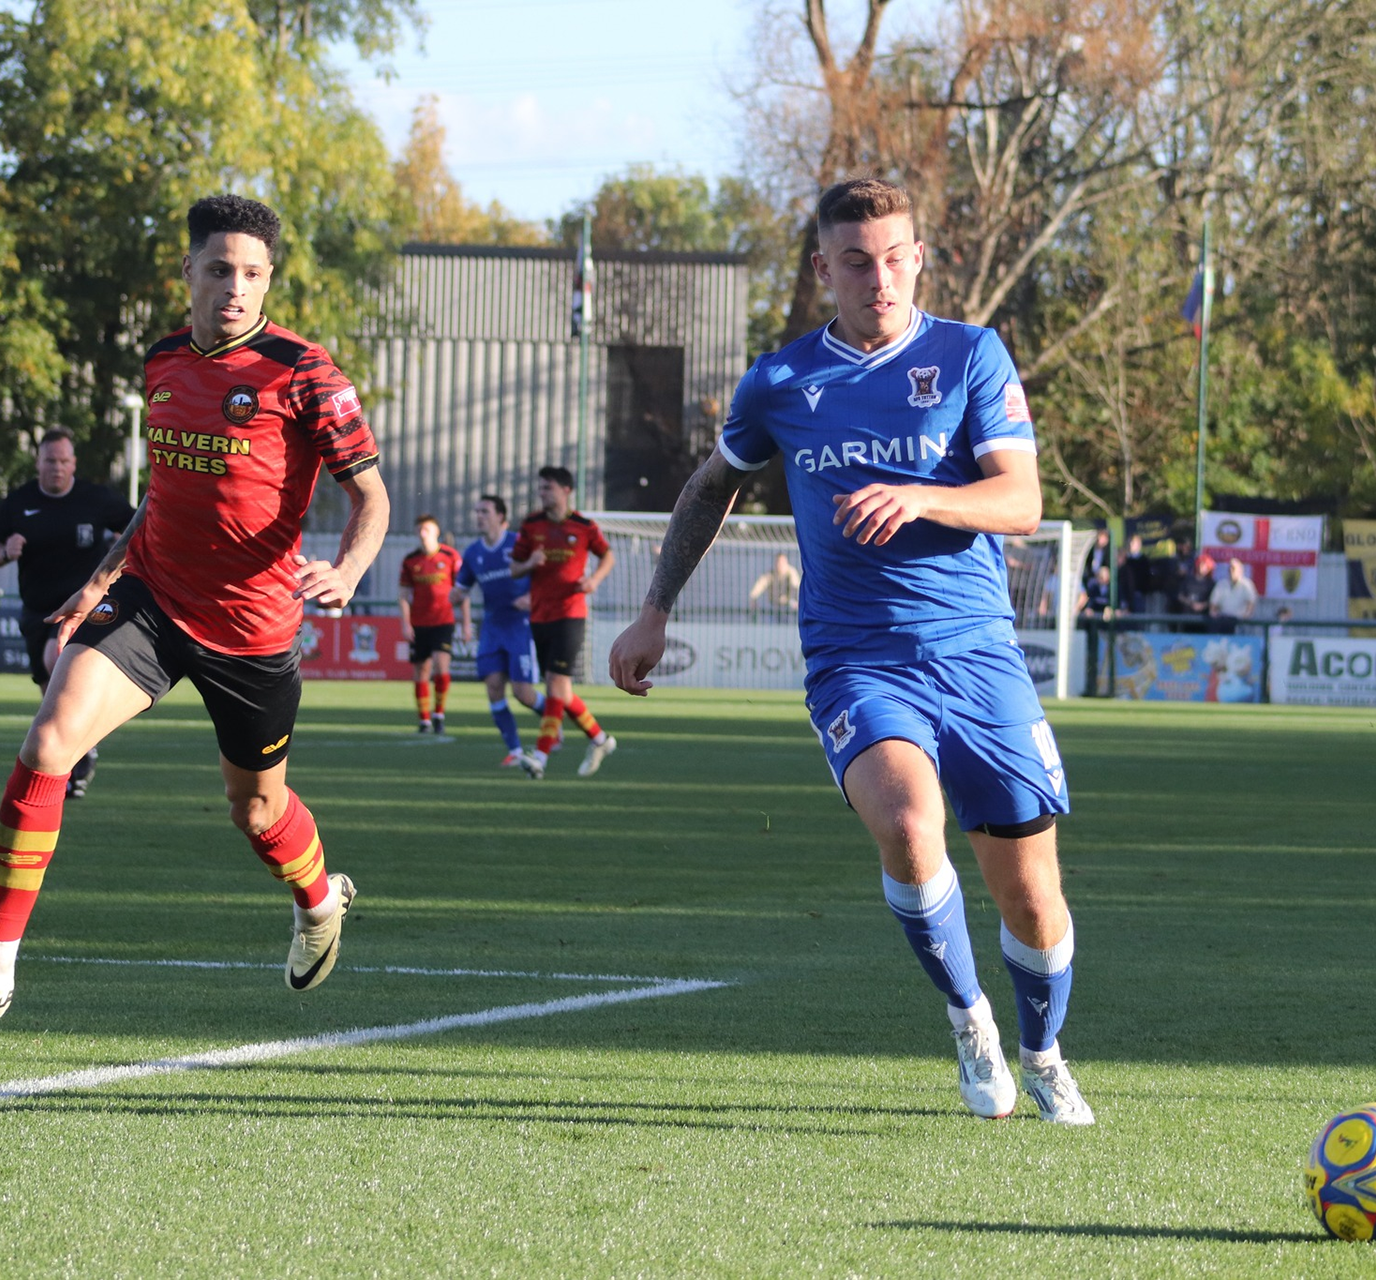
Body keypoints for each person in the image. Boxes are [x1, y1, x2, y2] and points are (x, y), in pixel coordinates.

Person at [609, 177, 1093, 1125]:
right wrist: (654, 608)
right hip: (855, 659)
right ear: (823, 267)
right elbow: (715, 487)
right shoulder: (782, 382)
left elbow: (1022, 504)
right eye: (857, 261)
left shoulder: (969, 357)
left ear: (918, 256)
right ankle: (970, 1025)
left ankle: (1042, 1050)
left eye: (896, 255)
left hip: (979, 655)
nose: (880, 276)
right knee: (911, 829)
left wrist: (924, 497)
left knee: (1032, 899)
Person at [0, 194, 386, 1022]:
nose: (235, 287)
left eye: (252, 274)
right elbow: (163, 496)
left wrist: (350, 568)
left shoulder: (306, 373)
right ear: (188, 270)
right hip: (154, 604)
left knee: (255, 810)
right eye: (220, 268)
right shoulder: (162, 362)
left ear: (268, 282)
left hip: (254, 631)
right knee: (47, 742)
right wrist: (101, 580)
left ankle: (318, 899)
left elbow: (373, 498)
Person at [0, 427, 135, 797]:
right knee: (49, 688)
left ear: (73, 463)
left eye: (64, 461)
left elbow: (139, 526)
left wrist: (122, 560)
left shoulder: (95, 498)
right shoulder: (18, 503)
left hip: (82, 608)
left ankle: (72, 754)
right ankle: (77, 756)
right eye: (50, 461)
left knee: (57, 662)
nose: (57, 468)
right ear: (38, 463)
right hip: (37, 610)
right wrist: (5, 551)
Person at [511, 466, 617, 778]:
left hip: (571, 614)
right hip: (540, 614)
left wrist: (594, 579)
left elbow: (608, 556)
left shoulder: (584, 525)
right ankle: (600, 739)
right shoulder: (531, 525)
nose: (542, 493)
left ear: (565, 490)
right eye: (540, 488)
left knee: (555, 685)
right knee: (562, 692)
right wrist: (530, 563)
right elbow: (514, 568)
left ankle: (540, 757)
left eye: (547, 488)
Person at [458, 493, 548, 769]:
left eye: (485, 511)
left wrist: (533, 599)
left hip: (519, 627)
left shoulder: (517, 543)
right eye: (477, 511)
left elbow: (545, 576)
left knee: (523, 693)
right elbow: (461, 589)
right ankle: (516, 750)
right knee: (494, 687)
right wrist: (445, 596)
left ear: (500, 516)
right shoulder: (473, 553)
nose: (479, 516)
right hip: (492, 628)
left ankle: (553, 724)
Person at [398, 514, 467, 736]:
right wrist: (406, 623)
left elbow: (462, 592)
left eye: (427, 529)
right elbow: (403, 594)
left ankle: (439, 714)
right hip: (419, 623)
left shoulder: (450, 556)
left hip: (443, 621)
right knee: (421, 670)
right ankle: (424, 719)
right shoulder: (411, 561)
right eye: (419, 529)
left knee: (441, 665)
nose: (422, 533)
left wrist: (466, 623)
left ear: (436, 532)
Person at [1209, 556, 1257, 627]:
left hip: (1240, 622)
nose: (1231, 571)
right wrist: (1213, 614)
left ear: (1240, 570)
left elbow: (1251, 603)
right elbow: (1213, 603)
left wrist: (1246, 616)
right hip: (1223, 620)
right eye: (1230, 568)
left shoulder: (1247, 585)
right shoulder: (1221, 584)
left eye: (1233, 568)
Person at [1174, 552, 1217, 623]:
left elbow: (1214, 600)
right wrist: (1190, 603)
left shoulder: (1211, 584)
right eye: (1200, 564)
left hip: (1204, 618)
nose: (1201, 567)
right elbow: (1180, 596)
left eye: (1205, 566)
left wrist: (1202, 606)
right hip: (1187, 616)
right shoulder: (1188, 580)